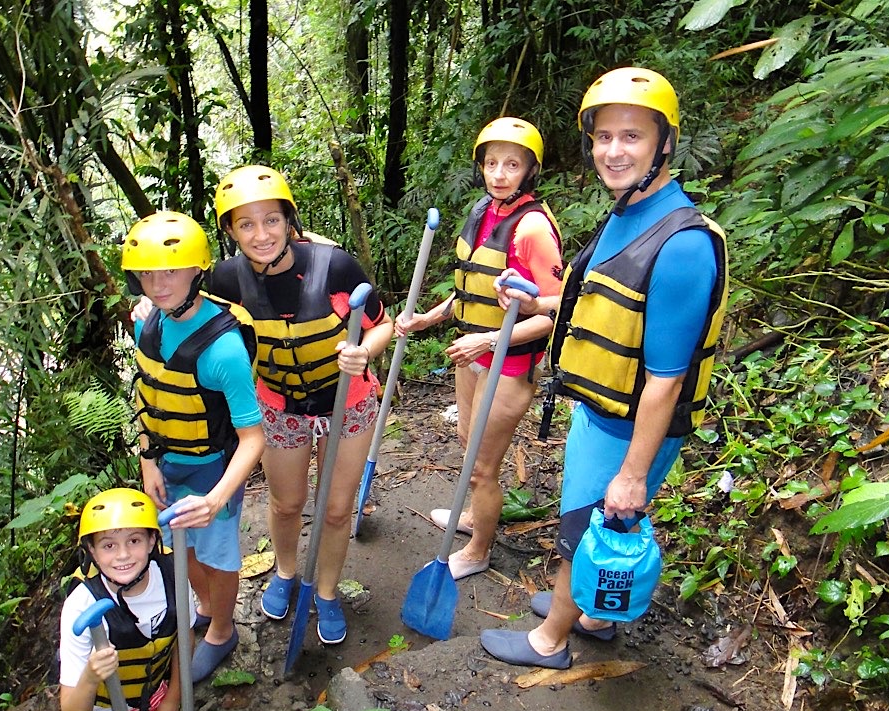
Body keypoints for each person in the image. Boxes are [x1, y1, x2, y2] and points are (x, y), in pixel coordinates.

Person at [481, 67, 728, 669]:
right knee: (589, 524)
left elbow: (666, 378)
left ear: (664, 143)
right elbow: (601, 301)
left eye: (632, 136)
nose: (613, 151)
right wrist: (537, 298)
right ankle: (592, 614)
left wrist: (634, 475)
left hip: (628, 427)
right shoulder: (630, 210)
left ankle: (551, 641)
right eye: (604, 137)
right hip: (601, 410)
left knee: (581, 529)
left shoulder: (683, 243)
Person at [208, 165, 393, 645]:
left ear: (289, 220)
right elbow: (191, 312)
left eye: (271, 220)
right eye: (245, 224)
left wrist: (365, 350)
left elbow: (382, 324)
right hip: (278, 403)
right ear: (230, 231)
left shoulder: (335, 266)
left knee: (335, 510)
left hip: (345, 401)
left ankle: (327, 591)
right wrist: (151, 308)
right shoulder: (225, 279)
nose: (261, 234)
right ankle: (286, 571)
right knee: (286, 503)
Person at [394, 117, 564, 580]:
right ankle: (473, 517)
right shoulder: (483, 212)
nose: (499, 173)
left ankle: (479, 550)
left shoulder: (531, 229)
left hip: (506, 368)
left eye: (512, 164)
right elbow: (472, 289)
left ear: (530, 170)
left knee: (482, 468)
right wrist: (430, 318)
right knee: (469, 448)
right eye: (492, 163)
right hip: (472, 356)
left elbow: (551, 314)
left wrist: (488, 339)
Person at [121, 211, 266, 682]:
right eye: (146, 273)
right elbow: (147, 396)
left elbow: (253, 438)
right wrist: (148, 461)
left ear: (196, 270)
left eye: (169, 270)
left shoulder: (223, 349)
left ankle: (223, 632)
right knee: (180, 549)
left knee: (216, 557)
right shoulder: (150, 326)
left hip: (212, 472)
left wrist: (215, 499)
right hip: (167, 463)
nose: (157, 284)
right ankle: (204, 608)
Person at [59, 488, 193, 711]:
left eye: (134, 540)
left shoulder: (173, 574)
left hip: (156, 694)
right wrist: (91, 675)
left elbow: (185, 637)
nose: (123, 555)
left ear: (152, 541)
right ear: (92, 550)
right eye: (108, 545)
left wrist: (173, 699)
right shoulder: (81, 606)